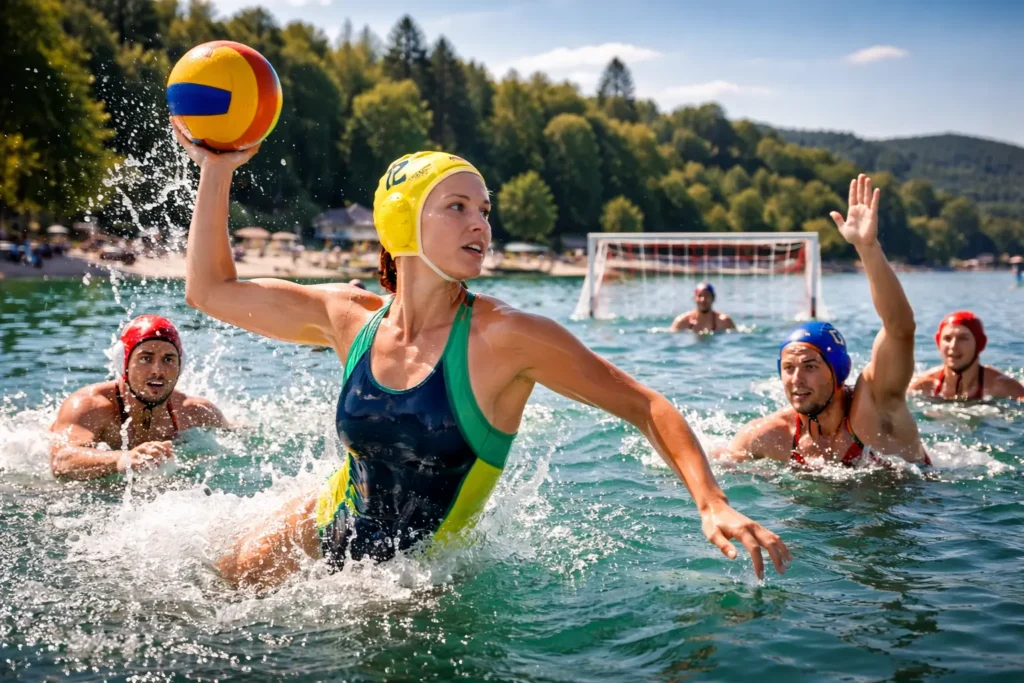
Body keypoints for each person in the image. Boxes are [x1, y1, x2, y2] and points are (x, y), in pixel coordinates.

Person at [171, 123, 790, 590]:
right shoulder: (349, 317)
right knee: (206, 602)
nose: (482, 225)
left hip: (415, 583)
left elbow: (644, 405)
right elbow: (210, 291)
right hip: (315, 529)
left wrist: (711, 501)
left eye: (484, 211)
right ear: (404, 222)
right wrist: (217, 169)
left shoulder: (508, 338)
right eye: (458, 207)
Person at [726, 175, 929, 467]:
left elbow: (900, 328)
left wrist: (867, 248)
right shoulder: (769, 437)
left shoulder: (876, 408)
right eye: (788, 368)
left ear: (839, 371)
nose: (796, 379)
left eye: (810, 366)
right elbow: (716, 466)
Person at [49, 315, 229, 480]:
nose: (158, 371)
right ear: (124, 362)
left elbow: (237, 437)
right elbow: (62, 460)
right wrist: (122, 458)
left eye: (168, 359)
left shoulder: (196, 411)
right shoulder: (90, 405)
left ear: (180, 365)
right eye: (145, 359)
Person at [909, 311, 1024, 400]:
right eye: (947, 339)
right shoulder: (922, 387)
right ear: (939, 343)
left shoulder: (1002, 386)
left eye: (963, 338)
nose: (953, 346)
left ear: (979, 344)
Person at [670, 282, 736, 333]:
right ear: (694, 298)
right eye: (700, 296)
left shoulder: (724, 322)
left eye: (707, 296)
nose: (703, 299)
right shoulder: (681, 322)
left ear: (713, 298)